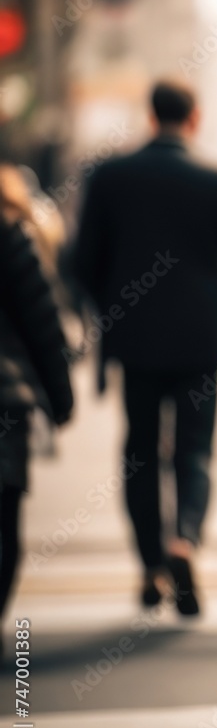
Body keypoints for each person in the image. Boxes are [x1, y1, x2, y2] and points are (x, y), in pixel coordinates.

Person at [73, 80, 217, 615]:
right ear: (195, 118)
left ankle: (149, 565)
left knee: (140, 452)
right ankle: (184, 539)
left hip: (135, 338)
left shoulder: (110, 176)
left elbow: (79, 262)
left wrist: (112, 306)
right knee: (194, 450)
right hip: (201, 339)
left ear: (149, 115)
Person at [0, 165, 74, 654]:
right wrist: (59, 395)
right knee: (4, 523)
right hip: (5, 398)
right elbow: (41, 319)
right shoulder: (8, 233)